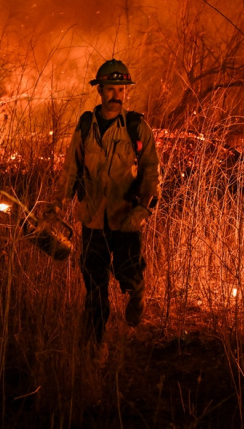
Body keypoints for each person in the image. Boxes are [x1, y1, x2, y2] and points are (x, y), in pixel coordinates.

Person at [47, 59, 161, 343]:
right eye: (111, 89)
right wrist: (58, 203)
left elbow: (151, 171)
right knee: (94, 288)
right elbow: (71, 169)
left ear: (126, 91)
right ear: (100, 91)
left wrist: (143, 210)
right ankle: (95, 346)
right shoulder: (86, 126)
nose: (116, 96)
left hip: (126, 220)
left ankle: (136, 294)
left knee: (129, 275)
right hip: (93, 220)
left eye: (121, 90)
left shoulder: (137, 127)